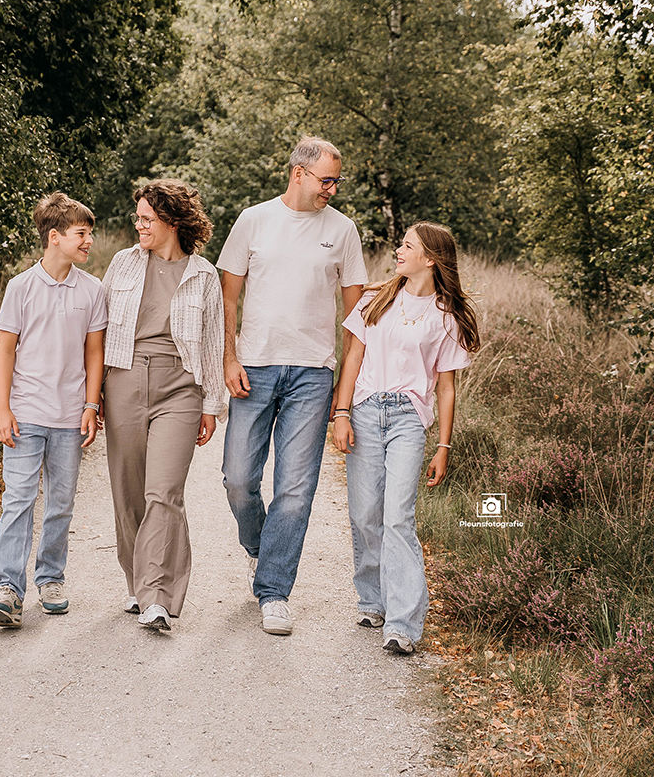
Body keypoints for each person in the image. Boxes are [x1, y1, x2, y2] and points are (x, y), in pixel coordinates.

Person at [217, 138, 367, 635]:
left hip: (313, 372)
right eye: (326, 179)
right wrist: (229, 357)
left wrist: (344, 393)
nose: (333, 188)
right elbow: (227, 300)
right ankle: (262, 548)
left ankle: (274, 590)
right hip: (254, 368)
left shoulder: (343, 230)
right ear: (298, 174)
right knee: (238, 479)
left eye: (337, 181)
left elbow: (356, 319)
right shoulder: (253, 220)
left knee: (296, 490)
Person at [331, 222, 481, 654]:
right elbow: (353, 358)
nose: (398, 250)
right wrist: (342, 413)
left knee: (397, 515)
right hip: (364, 410)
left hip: (407, 420)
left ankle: (402, 623)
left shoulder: (446, 317)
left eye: (407, 246)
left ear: (430, 259)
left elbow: (447, 387)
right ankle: (372, 599)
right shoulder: (374, 301)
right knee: (364, 513)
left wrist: (444, 446)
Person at [101, 179, 225, 632]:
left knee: (163, 491)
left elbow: (212, 343)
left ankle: (156, 595)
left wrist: (211, 404)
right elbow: (97, 330)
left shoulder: (203, 274)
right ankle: (139, 581)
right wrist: (90, 396)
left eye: (147, 219)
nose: (139, 226)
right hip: (125, 379)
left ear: (172, 221)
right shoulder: (123, 264)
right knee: (129, 491)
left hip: (180, 387)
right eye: (137, 218)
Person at [0, 192, 107, 628]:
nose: (89, 240)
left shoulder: (92, 289)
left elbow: (95, 353)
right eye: (81, 233)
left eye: (89, 233)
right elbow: (4, 352)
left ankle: (50, 578)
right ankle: (8, 590)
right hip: (26, 414)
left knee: (60, 502)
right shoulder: (21, 287)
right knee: (17, 499)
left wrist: (91, 404)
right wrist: (3, 409)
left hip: (70, 417)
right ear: (54, 237)